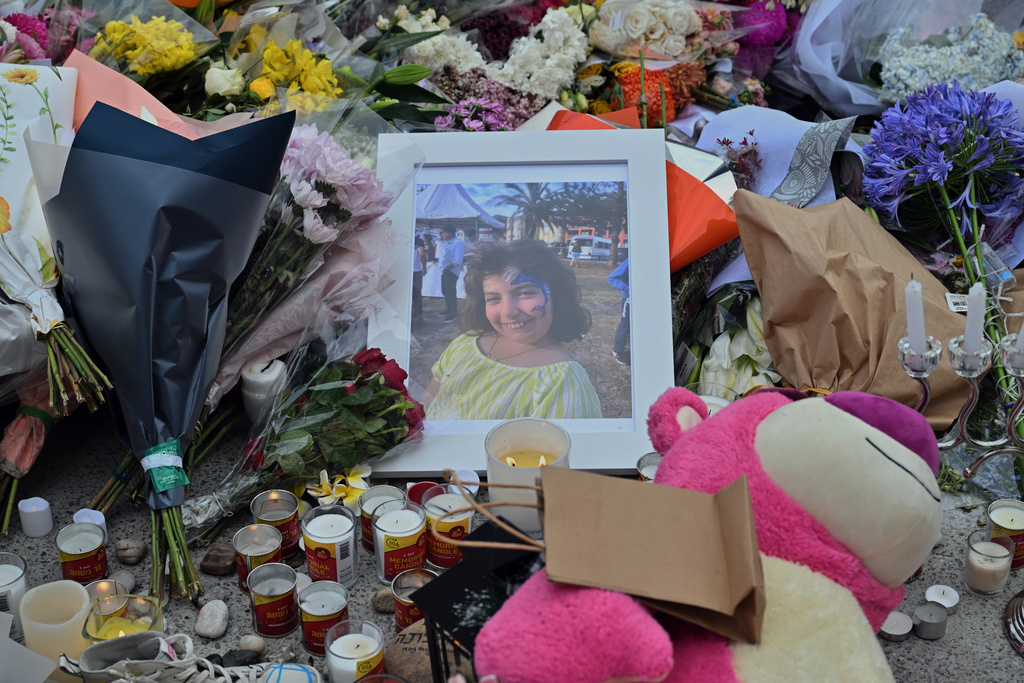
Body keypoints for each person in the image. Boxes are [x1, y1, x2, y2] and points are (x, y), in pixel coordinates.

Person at [423, 240, 602, 420]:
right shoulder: (464, 344)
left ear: (557, 296)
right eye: (493, 298)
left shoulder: (564, 385)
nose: (508, 312)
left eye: (524, 293)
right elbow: (431, 396)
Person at [437, 225, 464, 323]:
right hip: (445, 271)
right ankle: (448, 310)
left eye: (443, 233)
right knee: (445, 291)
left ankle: (453, 313)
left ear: (448, 233)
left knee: (450, 292)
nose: (441, 235)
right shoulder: (448, 243)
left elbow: (458, 260)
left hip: (451, 272)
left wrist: (447, 268)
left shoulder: (458, 243)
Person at [607, 257, 630, 366]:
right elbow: (611, 278)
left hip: (643, 300)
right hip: (629, 300)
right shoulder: (631, 259)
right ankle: (618, 352)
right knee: (625, 325)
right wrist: (628, 289)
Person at [411, 234, 427, 325]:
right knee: (417, 297)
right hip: (416, 271)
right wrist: (424, 268)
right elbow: (422, 254)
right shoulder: (418, 241)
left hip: (405, 272)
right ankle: (419, 319)